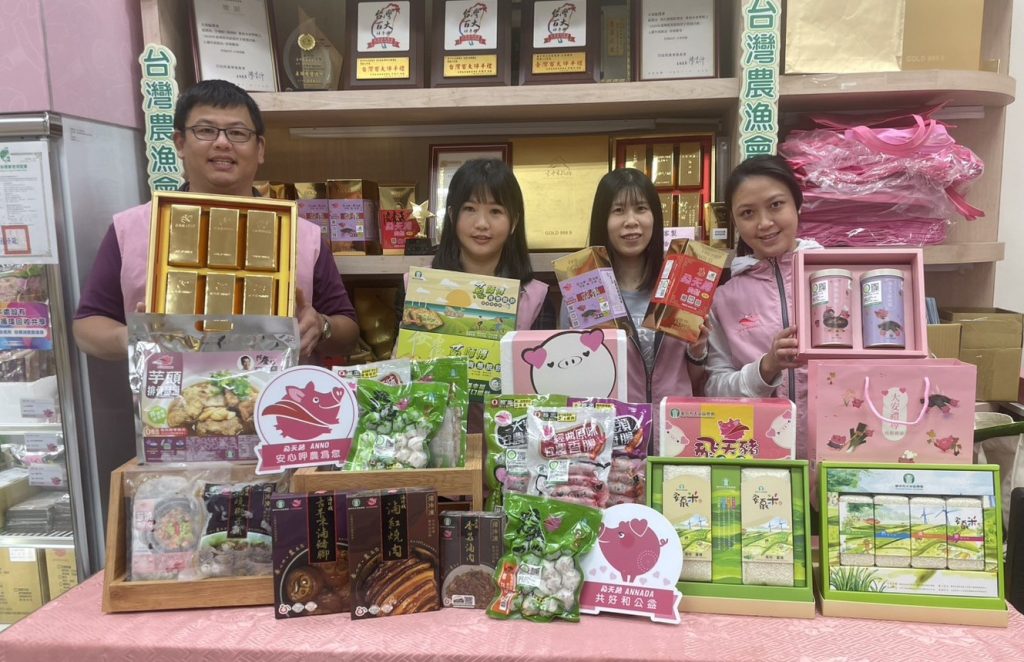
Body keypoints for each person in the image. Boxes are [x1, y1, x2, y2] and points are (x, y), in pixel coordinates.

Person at [73, 80, 360, 361]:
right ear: (180, 143)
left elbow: (347, 332)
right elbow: (87, 326)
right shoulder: (130, 229)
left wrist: (322, 326)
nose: (222, 143)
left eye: (237, 133)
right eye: (206, 130)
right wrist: (134, 338)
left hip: (277, 392)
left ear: (260, 148)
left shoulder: (303, 236)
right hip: (170, 390)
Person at [701, 155, 823, 459]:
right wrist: (765, 369)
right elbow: (714, 389)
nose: (764, 223)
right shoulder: (723, 299)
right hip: (761, 462)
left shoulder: (836, 279)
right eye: (748, 213)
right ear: (735, 221)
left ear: (797, 204)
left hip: (837, 455)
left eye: (776, 205)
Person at [561, 168, 708, 405]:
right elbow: (570, 377)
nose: (631, 221)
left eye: (641, 208)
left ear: (654, 217)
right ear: (602, 220)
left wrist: (697, 351)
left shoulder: (681, 282)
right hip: (613, 423)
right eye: (618, 210)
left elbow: (697, 382)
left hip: (672, 422)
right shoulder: (582, 290)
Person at [428, 158, 552, 329]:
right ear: (451, 215)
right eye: (470, 209)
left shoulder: (536, 299)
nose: (482, 224)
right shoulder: (415, 287)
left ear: (514, 222)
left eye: (495, 211)